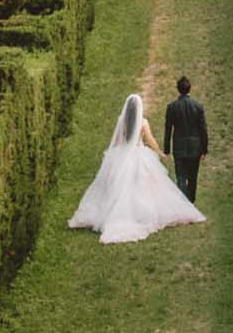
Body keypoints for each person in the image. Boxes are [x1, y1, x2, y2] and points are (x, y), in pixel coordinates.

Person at [68, 92, 206, 244]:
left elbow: (118, 140)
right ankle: (141, 213)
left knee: (121, 187)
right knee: (144, 186)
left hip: (122, 154)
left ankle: (118, 214)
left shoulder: (121, 120)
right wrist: (160, 153)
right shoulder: (143, 122)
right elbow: (150, 140)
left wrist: (112, 156)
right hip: (139, 154)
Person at [163, 74, 208, 203]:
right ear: (189, 88)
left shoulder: (172, 107)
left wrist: (167, 150)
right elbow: (203, 129)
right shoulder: (198, 106)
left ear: (178, 89)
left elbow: (168, 129)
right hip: (195, 147)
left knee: (181, 177)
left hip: (179, 148)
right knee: (193, 177)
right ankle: (191, 203)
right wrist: (204, 149)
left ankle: (183, 205)